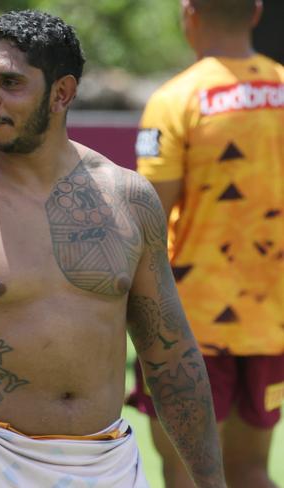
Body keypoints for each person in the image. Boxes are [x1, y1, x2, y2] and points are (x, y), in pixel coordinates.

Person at [0, 9, 226, 488]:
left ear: (62, 93)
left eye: (10, 82)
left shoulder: (129, 198)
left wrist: (212, 483)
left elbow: (172, 358)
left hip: (108, 461)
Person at [128, 1, 284, 487]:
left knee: (187, 474)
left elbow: (149, 215)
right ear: (256, 13)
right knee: (252, 470)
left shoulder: (174, 100)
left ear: (189, 13)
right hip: (272, 321)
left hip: (185, 323)